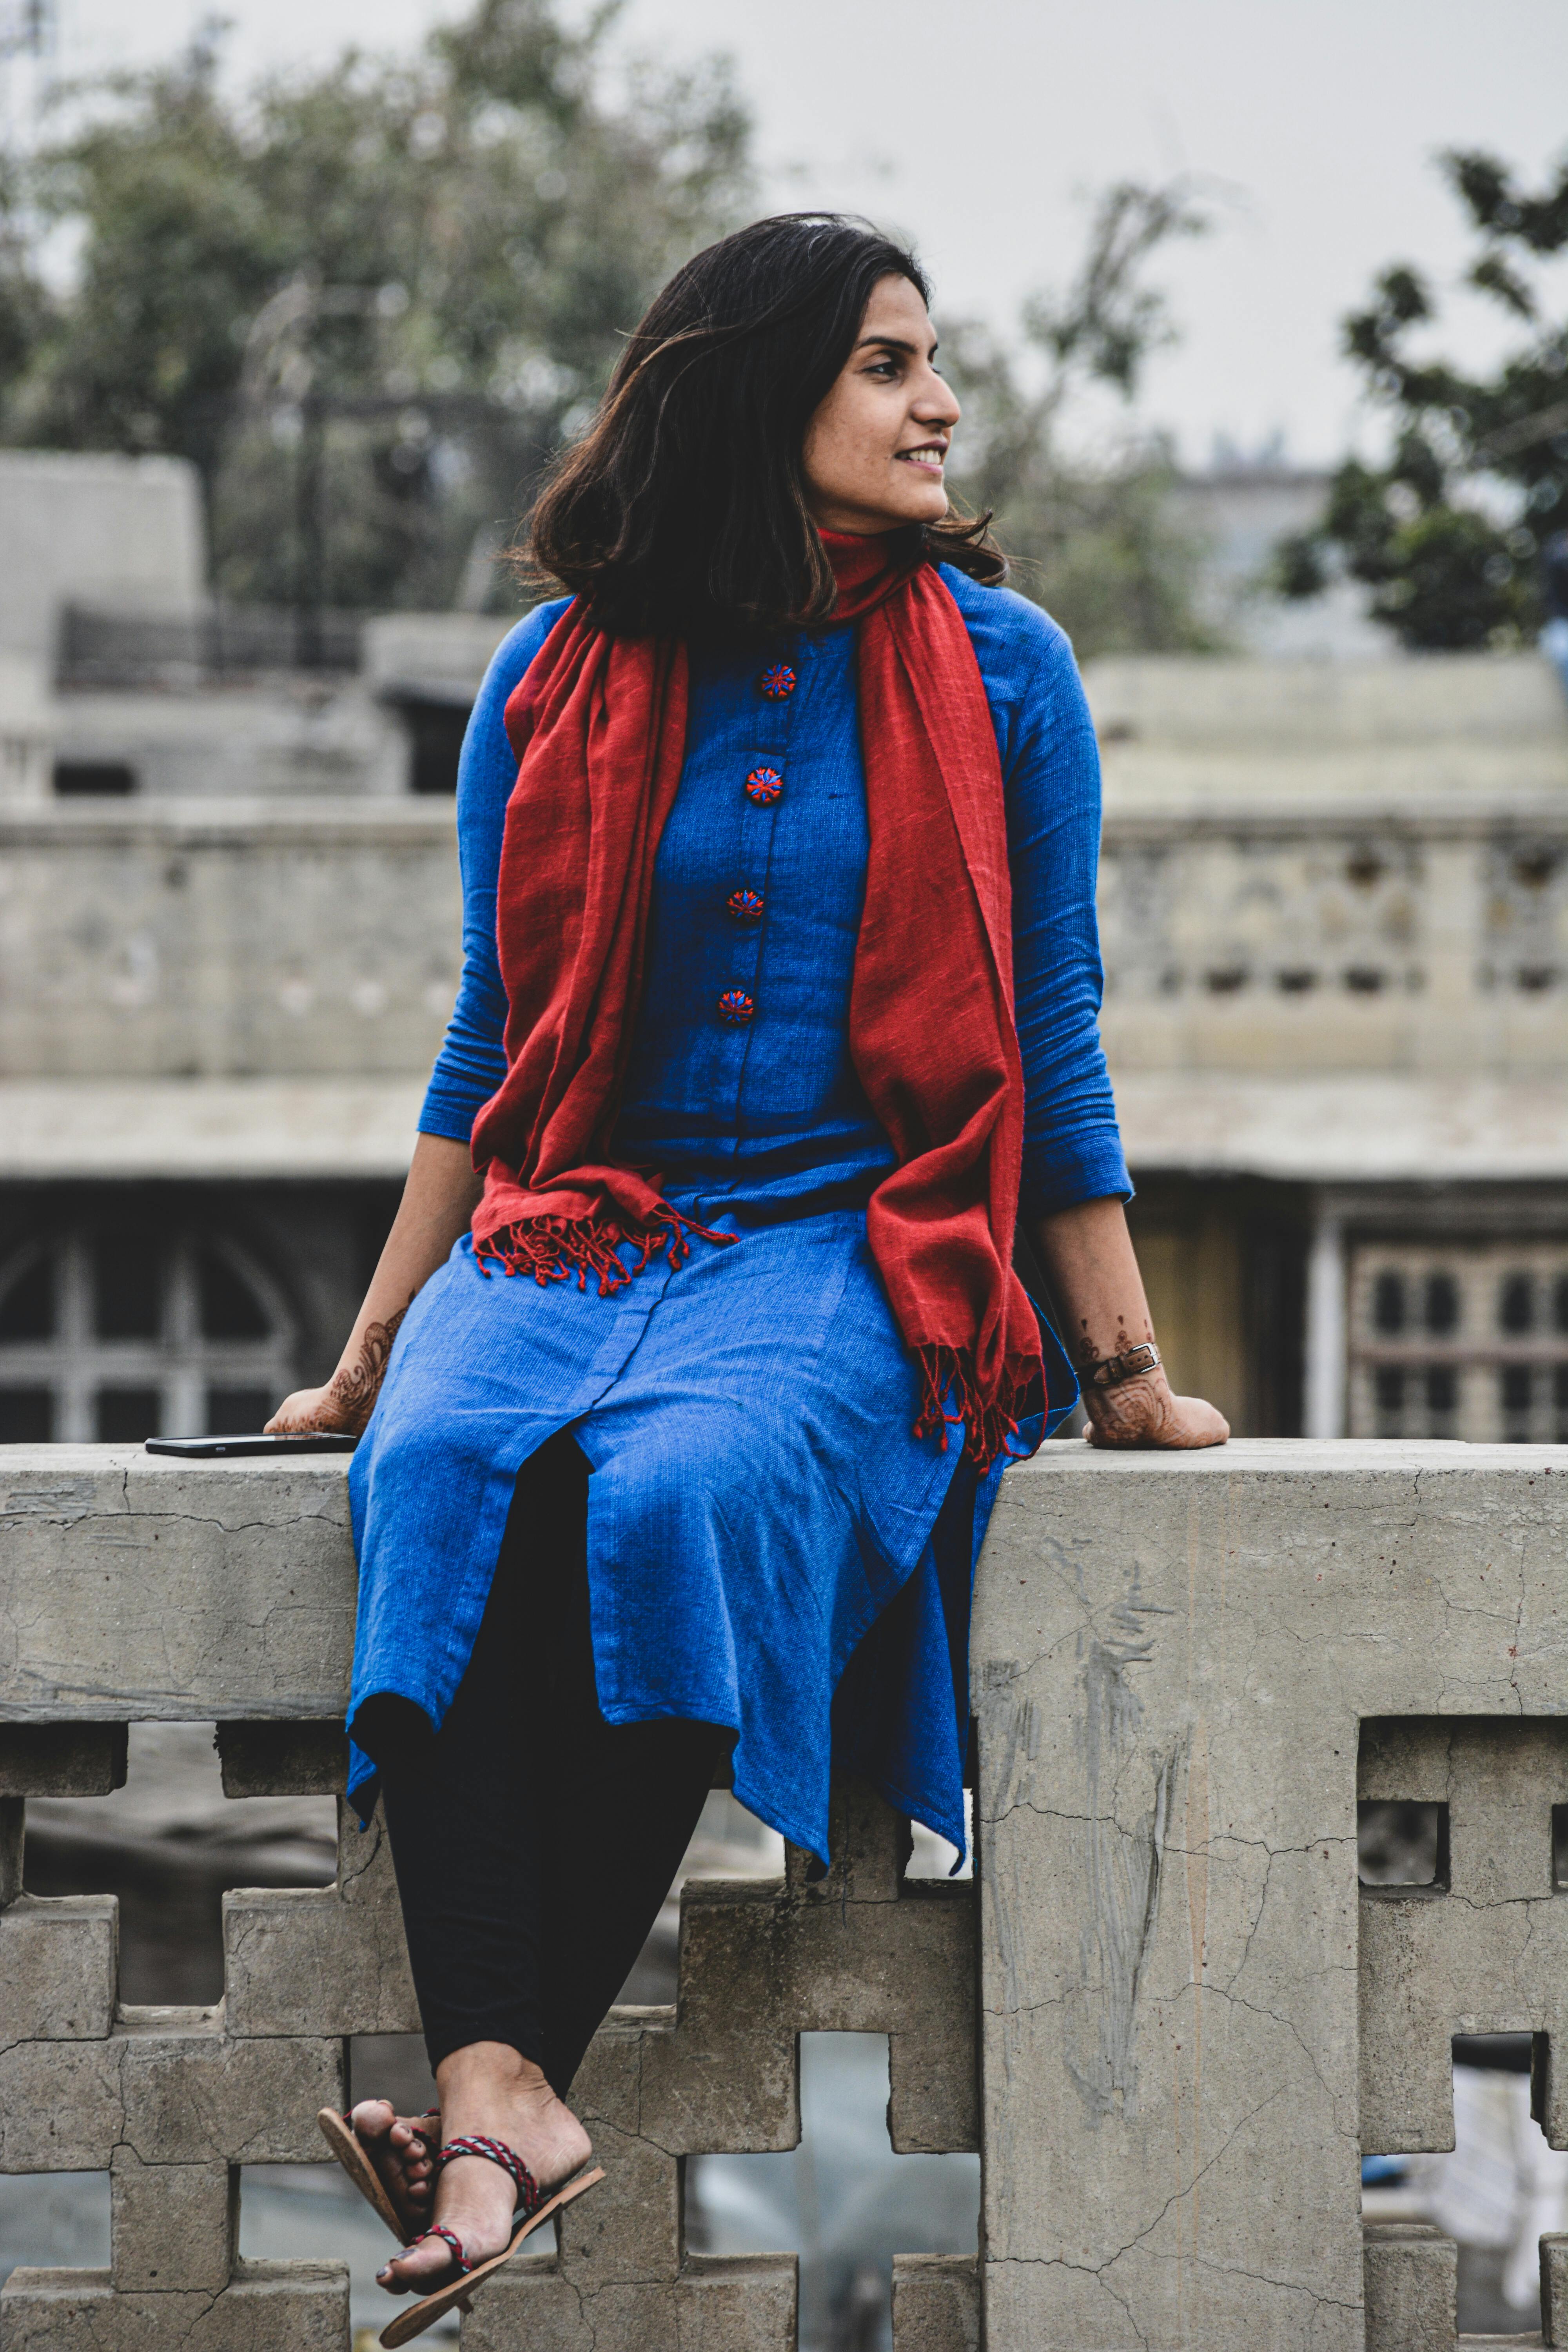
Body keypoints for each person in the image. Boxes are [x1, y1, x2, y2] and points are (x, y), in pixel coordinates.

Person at [269, 211, 1228, 2338]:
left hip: (848, 1236)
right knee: (433, 1468)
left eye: (934, 361)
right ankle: (507, 2102)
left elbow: (1050, 1030)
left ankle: (491, 2100)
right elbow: (490, 1039)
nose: (940, 403)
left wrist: (1124, 1368)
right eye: (889, 362)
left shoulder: (1007, 672)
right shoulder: (553, 676)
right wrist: (369, 1356)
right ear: (755, 391)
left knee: (685, 1486)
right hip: (575, 1218)